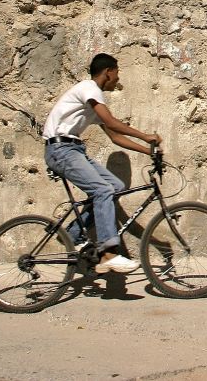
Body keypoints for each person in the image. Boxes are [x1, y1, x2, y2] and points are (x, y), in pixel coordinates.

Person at [42, 53, 161, 273]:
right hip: (62, 149)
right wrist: (145, 136)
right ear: (108, 71)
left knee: (115, 187)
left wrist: (148, 151)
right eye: (117, 73)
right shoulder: (90, 88)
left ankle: (71, 235)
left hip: (72, 149)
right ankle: (108, 253)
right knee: (102, 189)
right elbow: (111, 121)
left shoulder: (90, 102)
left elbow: (115, 136)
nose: (118, 79)